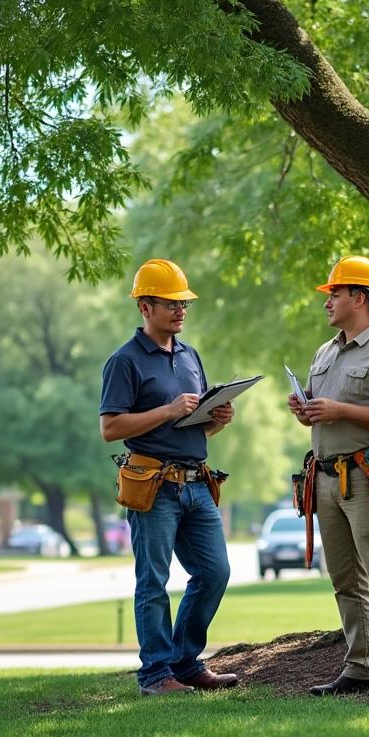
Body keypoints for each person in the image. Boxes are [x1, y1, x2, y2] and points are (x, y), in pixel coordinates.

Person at [100, 258, 239, 697]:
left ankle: (184, 661)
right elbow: (110, 428)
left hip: (197, 483)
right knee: (153, 582)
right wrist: (168, 409)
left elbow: (193, 426)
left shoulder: (190, 355)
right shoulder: (124, 361)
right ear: (145, 306)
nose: (181, 310)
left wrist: (217, 419)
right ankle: (156, 675)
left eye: (184, 304)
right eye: (171, 303)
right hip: (154, 487)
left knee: (215, 573)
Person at [287, 255, 369, 702]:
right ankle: (363, 666)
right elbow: (325, 416)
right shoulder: (325, 352)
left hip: (367, 476)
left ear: (360, 297)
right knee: (345, 579)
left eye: (336, 293)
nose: (328, 301)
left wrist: (340, 410)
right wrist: (307, 410)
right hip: (325, 478)